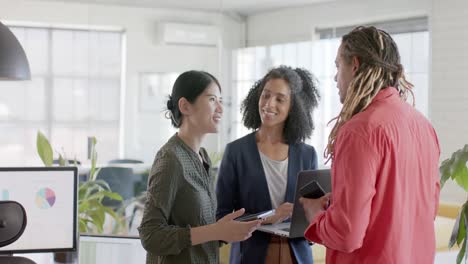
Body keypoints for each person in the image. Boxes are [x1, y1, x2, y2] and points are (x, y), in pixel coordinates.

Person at [299, 26, 440, 263]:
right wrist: (343, 201)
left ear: (354, 65)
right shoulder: (424, 126)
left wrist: (316, 216)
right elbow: (424, 209)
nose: (335, 77)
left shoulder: (358, 130)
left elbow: (347, 234)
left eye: (337, 66)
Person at [138, 70, 262, 264]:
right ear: (185, 106)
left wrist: (224, 231)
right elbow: (150, 235)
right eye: (212, 99)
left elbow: (201, 231)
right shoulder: (170, 160)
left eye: (220, 100)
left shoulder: (202, 157)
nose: (220, 108)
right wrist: (215, 230)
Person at [216, 65, 320, 264]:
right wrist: (270, 216)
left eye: (280, 99)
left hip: (296, 256)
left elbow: (312, 220)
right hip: (251, 256)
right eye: (266, 95)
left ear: (293, 106)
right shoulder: (236, 152)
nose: (269, 104)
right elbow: (221, 220)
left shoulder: (307, 154)